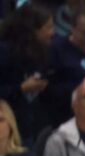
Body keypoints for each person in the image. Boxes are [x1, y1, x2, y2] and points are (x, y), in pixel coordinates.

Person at [0, 4, 56, 145]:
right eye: (48, 27)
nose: (53, 32)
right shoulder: (4, 53)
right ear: (33, 30)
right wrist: (21, 88)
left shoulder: (44, 50)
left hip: (31, 124)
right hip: (8, 127)